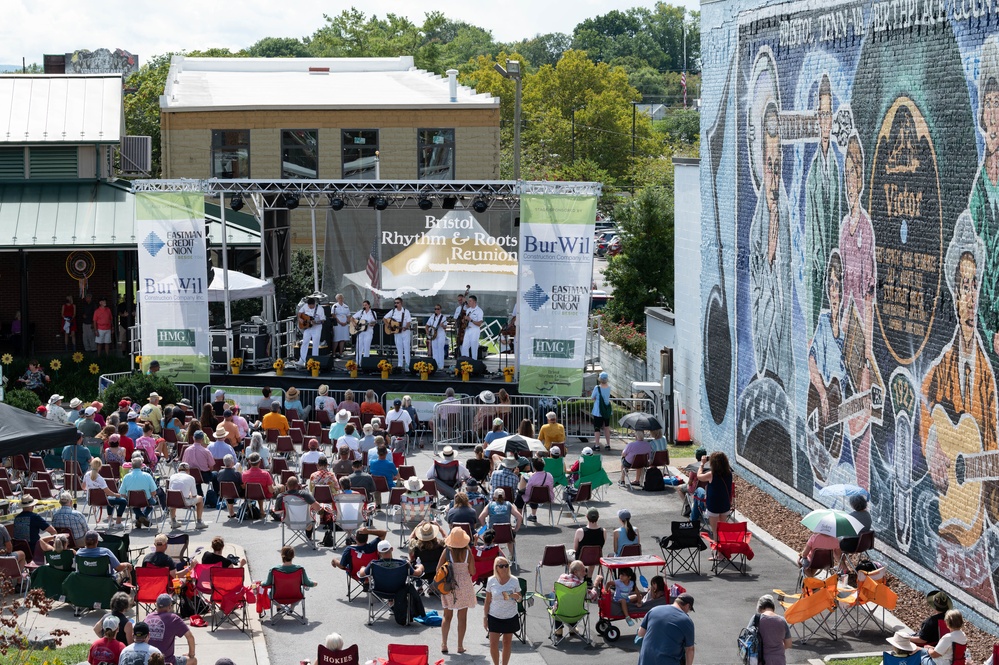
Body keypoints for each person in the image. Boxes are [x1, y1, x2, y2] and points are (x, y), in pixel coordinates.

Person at [750, 101, 794, 390]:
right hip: (764, 327)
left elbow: (788, 278)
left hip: (784, 338)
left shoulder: (785, 214)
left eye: (778, 166)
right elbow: (758, 287)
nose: (774, 175)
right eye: (769, 166)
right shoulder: (757, 225)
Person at [804, 74, 841, 333]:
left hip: (835, 272)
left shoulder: (837, 170)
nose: (825, 121)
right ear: (817, 120)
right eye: (822, 115)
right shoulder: (813, 173)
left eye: (829, 115)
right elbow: (810, 234)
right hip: (817, 272)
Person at [439, 527, 477, 654]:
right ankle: (460, 646)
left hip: (449, 584)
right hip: (465, 585)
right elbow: (472, 571)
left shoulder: (447, 552)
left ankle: (444, 644)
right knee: (462, 617)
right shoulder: (468, 553)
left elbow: (438, 568)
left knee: (447, 615)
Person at [637, 592, 696, 665]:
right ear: (687, 606)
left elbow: (640, 633)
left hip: (645, 660)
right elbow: (690, 649)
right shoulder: (686, 621)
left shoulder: (654, 610)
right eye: (689, 610)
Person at [483, 556, 520, 665]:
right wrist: (485, 617)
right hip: (494, 615)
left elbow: (520, 597)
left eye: (506, 565)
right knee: (493, 643)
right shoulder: (491, 580)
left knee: (507, 642)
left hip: (510, 615)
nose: (504, 568)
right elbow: (487, 601)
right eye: (501, 566)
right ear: (496, 567)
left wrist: (516, 596)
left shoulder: (514, 580)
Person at [146, 593, 198, 665]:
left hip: (148, 660)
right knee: (193, 660)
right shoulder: (173, 618)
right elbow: (190, 637)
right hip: (166, 661)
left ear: (156, 605)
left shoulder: (148, 617)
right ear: (170, 606)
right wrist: (191, 654)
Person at [697, 451, 733, 540]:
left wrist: (702, 464)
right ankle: (722, 551)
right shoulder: (729, 473)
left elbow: (699, 476)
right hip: (725, 504)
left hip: (714, 506)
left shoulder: (711, 474)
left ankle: (717, 552)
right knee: (721, 529)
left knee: (715, 531)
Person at [479, 488, 521, 561]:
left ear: (494, 497)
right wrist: (516, 529)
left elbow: (481, 517)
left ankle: (490, 555)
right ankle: (511, 555)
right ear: (504, 497)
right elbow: (519, 517)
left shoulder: (490, 505)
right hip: (507, 535)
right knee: (511, 537)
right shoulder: (508, 504)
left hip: (493, 535)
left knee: (484, 533)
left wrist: (485, 529)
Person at [271, 476, 318, 541]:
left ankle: (284, 544)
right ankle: (309, 537)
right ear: (297, 485)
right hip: (305, 523)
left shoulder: (281, 496)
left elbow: (276, 511)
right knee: (312, 514)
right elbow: (317, 507)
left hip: (289, 522)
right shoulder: (305, 494)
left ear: (286, 485)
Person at [119, 454, 159, 528]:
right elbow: (154, 492)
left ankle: (140, 518)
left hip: (132, 501)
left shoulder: (126, 477)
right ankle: (142, 517)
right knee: (152, 504)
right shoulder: (147, 476)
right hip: (146, 500)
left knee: (135, 507)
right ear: (141, 466)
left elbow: (122, 493)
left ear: (132, 466)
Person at [752, 594, 792, 665]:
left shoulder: (756, 619)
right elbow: (788, 644)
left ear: (760, 608)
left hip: (761, 660)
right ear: (773, 607)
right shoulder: (782, 621)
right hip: (779, 660)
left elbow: (748, 640)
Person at [168, 463, 208, 530]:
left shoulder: (172, 476)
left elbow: (171, 490)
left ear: (178, 470)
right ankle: (199, 522)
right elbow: (194, 495)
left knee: (174, 497)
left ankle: (173, 521)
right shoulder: (191, 478)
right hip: (184, 502)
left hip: (172, 502)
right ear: (188, 470)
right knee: (200, 498)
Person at [572, 508, 605, 578]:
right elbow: (601, 545)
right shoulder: (603, 531)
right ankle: (589, 578)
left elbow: (575, 548)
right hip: (595, 558)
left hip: (580, 559)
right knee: (593, 553)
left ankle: (576, 577)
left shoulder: (579, 531)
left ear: (587, 517)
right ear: (598, 517)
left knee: (568, 556)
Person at [181, 432, 215, 497]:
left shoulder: (187, 450)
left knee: (195, 477)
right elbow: (211, 467)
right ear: (202, 439)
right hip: (204, 476)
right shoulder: (206, 451)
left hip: (190, 475)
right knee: (216, 475)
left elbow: (184, 464)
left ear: (193, 438)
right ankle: (217, 495)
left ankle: (199, 495)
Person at [383, 297, 414, 369]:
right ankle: (400, 365)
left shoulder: (406, 311)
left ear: (401, 303)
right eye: (395, 303)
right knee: (399, 349)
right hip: (396, 333)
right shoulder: (393, 311)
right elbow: (384, 318)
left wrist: (406, 327)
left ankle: (407, 365)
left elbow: (409, 322)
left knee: (406, 348)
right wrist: (388, 325)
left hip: (405, 332)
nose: (396, 304)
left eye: (397, 303)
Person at [520, 457, 554, 522]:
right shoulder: (549, 475)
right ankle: (533, 515)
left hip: (533, 498)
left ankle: (519, 518)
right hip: (547, 498)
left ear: (534, 467)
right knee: (535, 493)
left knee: (520, 496)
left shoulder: (532, 478)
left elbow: (528, 492)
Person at [296, 296, 326, 366]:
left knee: (315, 343)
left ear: (314, 304)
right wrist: (300, 319)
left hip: (317, 327)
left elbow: (323, 320)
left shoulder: (320, 309)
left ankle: (314, 361)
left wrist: (316, 322)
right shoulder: (305, 306)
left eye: (311, 306)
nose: (310, 307)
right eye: (309, 306)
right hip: (307, 328)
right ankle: (302, 360)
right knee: (305, 342)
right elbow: (299, 313)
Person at [591, 372, 613, 451]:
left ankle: (597, 445)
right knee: (606, 427)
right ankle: (608, 444)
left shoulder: (597, 388)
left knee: (597, 428)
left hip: (598, 411)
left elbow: (592, 397)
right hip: (606, 410)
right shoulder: (609, 387)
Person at [460, 295, 484, 359]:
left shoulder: (479, 311)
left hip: (475, 330)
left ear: (474, 302)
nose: (469, 302)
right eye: (468, 301)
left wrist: (471, 320)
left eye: (470, 301)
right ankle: (466, 362)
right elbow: (466, 321)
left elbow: (479, 323)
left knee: (474, 347)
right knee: (464, 347)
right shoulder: (468, 310)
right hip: (468, 329)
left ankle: (474, 363)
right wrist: (464, 320)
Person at [426, 303, 448, 368]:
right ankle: (435, 365)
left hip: (440, 334)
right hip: (433, 335)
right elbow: (427, 325)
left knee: (440, 349)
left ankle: (441, 365)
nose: (436, 310)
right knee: (434, 349)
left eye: (438, 309)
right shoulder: (432, 316)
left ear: (440, 310)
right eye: (435, 309)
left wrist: (442, 325)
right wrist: (427, 332)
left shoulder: (443, 317)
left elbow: (445, 327)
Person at [331, 293, 351, 358]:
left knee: (342, 339)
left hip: (344, 324)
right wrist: (339, 322)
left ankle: (341, 352)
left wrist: (347, 322)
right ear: (337, 299)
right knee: (336, 338)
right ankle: (334, 353)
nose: (341, 299)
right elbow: (333, 315)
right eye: (339, 298)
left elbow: (348, 315)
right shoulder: (335, 306)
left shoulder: (346, 306)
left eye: (341, 298)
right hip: (337, 324)